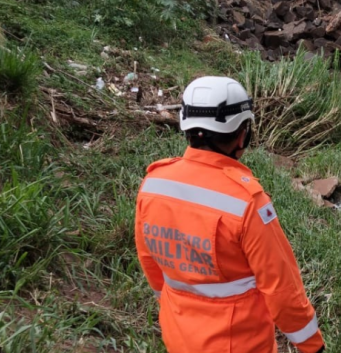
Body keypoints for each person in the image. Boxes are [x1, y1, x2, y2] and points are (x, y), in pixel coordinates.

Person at [134, 76, 325, 353]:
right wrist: (312, 346)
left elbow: (150, 262)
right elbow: (282, 290)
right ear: (241, 132)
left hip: (178, 336)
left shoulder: (153, 184)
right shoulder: (248, 202)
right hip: (240, 344)